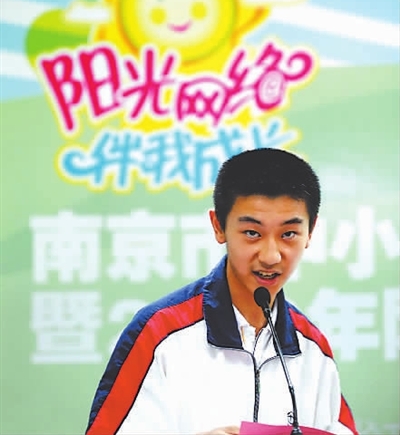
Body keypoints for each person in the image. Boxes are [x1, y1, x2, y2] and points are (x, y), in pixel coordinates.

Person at [85, 148, 358, 435]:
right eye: (252, 233)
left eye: (288, 234)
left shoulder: (313, 350)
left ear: (310, 232)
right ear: (219, 226)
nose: (271, 256)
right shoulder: (159, 334)